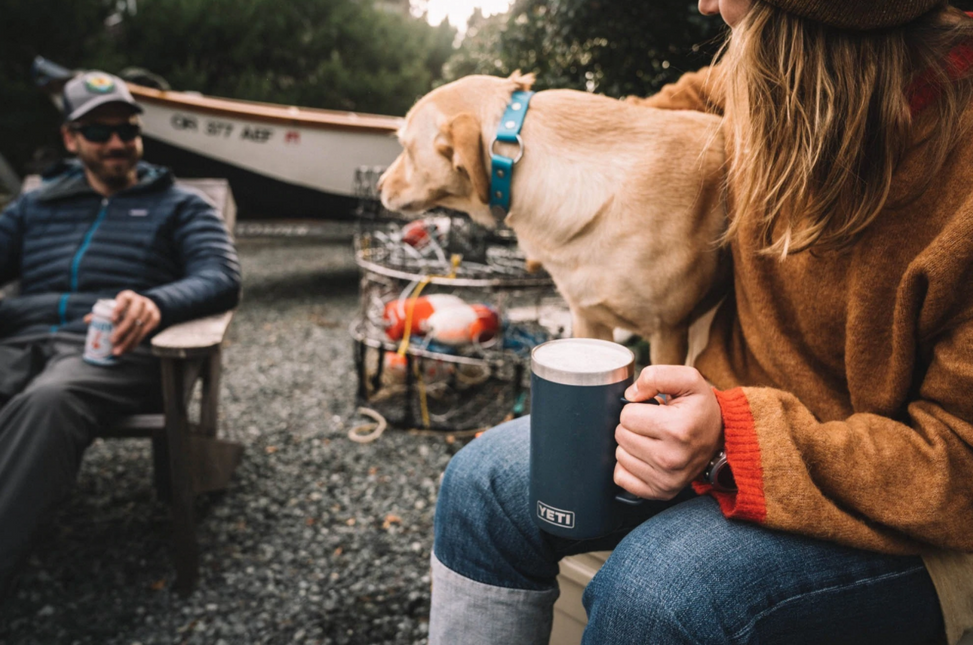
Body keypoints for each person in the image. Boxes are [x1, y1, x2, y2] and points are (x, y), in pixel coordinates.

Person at [429, 1, 973, 643]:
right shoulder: (771, 84)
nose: (705, 3)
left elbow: (959, 465)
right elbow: (672, 106)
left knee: (658, 595)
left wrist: (733, 440)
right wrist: (549, 142)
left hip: (913, 524)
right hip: (721, 430)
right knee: (480, 486)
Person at [0, 71, 241, 598]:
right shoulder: (36, 205)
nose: (116, 143)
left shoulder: (179, 204)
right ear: (70, 138)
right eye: (98, 132)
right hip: (20, 339)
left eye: (127, 131)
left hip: (113, 347)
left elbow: (221, 276)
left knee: (50, 401)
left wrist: (156, 302)